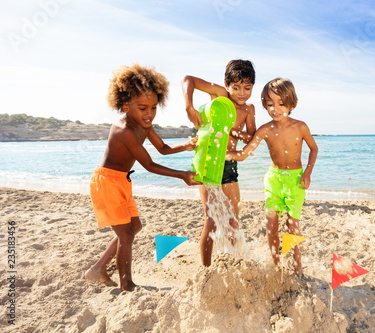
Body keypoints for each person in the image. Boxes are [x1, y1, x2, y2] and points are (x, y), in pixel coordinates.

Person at [85, 64, 201, 292]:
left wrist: (186, 146)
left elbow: (164, 149)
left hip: (121, 181)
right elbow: (148, 164)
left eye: (154, 108)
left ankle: (98, 268)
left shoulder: (145, 125)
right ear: (125, 105)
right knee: (126, 235)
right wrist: (183, 175)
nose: (149, 114)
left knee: (134, 227)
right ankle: (126, 285)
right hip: (107, 182)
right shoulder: (125, 130)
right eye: (142, 108)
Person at [226, 78, 318, 276]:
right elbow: (244, 153)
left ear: (292, 104)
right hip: (273, 179)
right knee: (271, 223)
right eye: (270, 104)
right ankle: (275, 263)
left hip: (295, 180)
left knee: (292, 224)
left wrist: (308, 172)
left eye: (281, 104)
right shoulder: (265, 130)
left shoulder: (300, 127)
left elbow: (313, 148)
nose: (275, 109)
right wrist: (225, 154)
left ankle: (297, 265)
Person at [182, 59, 256, 266]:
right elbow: (188, 80)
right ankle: (205, 268)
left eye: (247, 88)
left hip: (230, 165)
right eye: (236, 87)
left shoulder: (249, 109)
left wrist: (235, 132)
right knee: (211, 220)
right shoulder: (219, 95)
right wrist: (189, 106)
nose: (242, 93)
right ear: (226, 85)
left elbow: (251, 136)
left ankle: (234, 264)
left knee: (233, 219)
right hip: (208, 164)